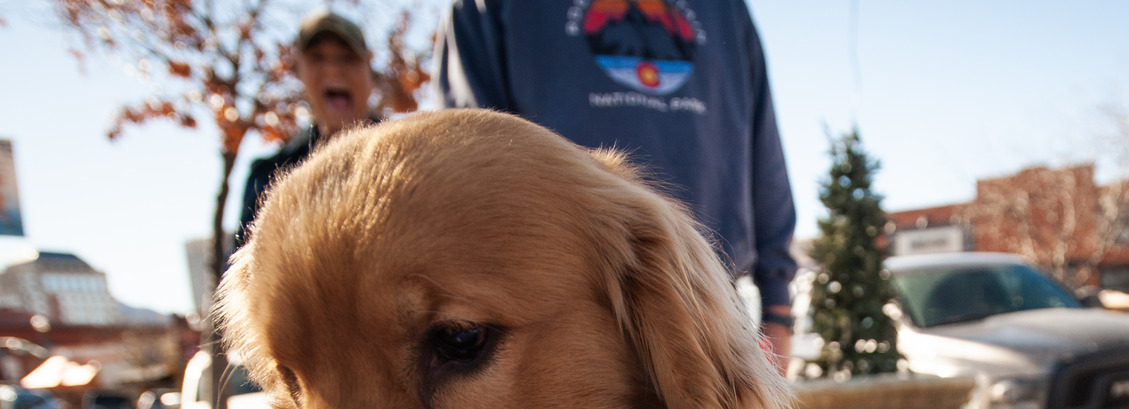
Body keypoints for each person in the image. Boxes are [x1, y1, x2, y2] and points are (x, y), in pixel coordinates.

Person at [437, 0, 797, 367]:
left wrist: (778, 310)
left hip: (717, 313)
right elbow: (469, 172)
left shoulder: (725, 9)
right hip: (562, 327)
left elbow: (765, 152)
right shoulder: (486, 7)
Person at [236, 10, 377, 247]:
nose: (332, 70)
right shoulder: (269, 178)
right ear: (298, 70)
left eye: (347, 58)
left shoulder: (415, 157)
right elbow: (245, 275)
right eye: (317, 57)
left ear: (369, 68)